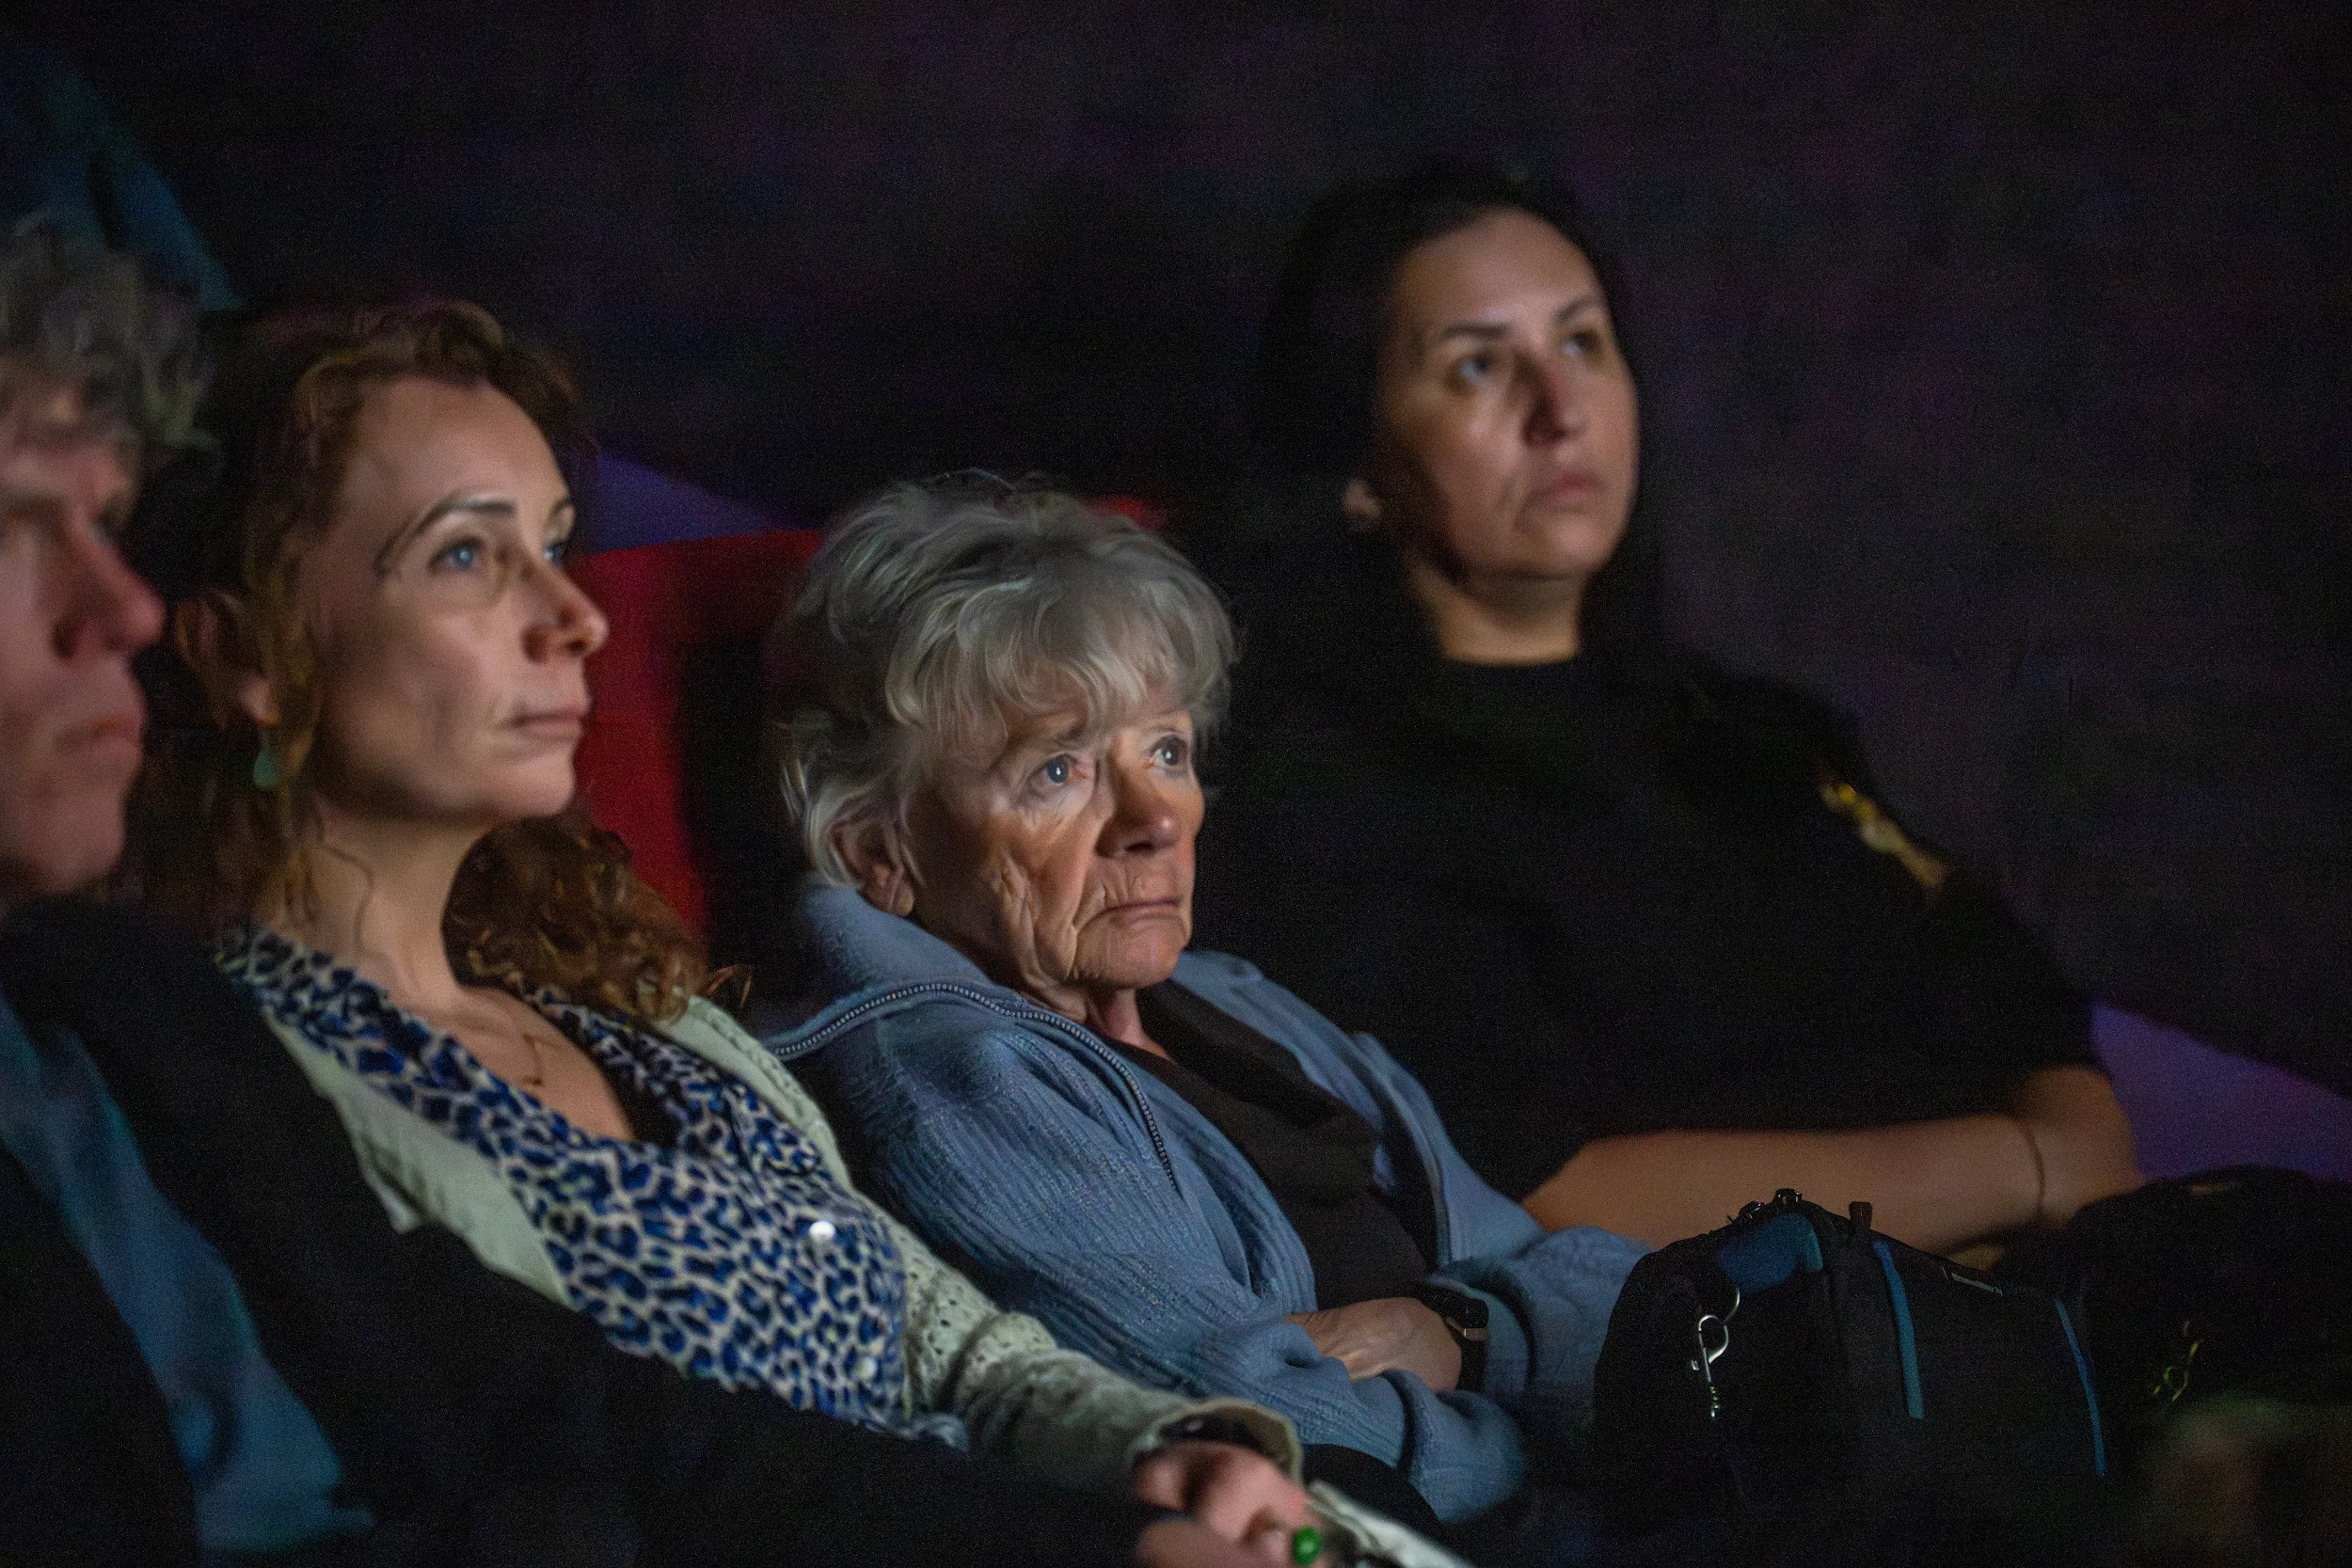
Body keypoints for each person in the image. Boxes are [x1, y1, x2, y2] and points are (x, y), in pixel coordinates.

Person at [119, 293, 1339, 1568]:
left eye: (555, 543)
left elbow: (962, 1349)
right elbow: (586, 1487)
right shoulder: (255, 1088)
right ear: (246, 651)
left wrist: (1162, 1448)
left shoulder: (641, 1015)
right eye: (466, 556)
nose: (576, 615)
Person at [1185, 160, 2142, 1259]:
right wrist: (2026, 1169)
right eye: (1478, 365)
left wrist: (2084, 1160)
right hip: (1748, 1329)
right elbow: (1529, 1188)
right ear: (1359, 463)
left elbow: (2008, 988)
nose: (1561, 411)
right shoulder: (1326, 787)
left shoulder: (1761, 730)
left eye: (1582, 343)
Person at [763, 480, 1649, 1538]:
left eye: (1166, 750)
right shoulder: (951, 1084)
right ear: (881, 852)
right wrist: (1604, 1426)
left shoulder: (1225, 995)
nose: (1154, 818)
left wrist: (1460, 1331)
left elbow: (1597, 1273)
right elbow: (1289, 1437)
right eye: (1057, 769)